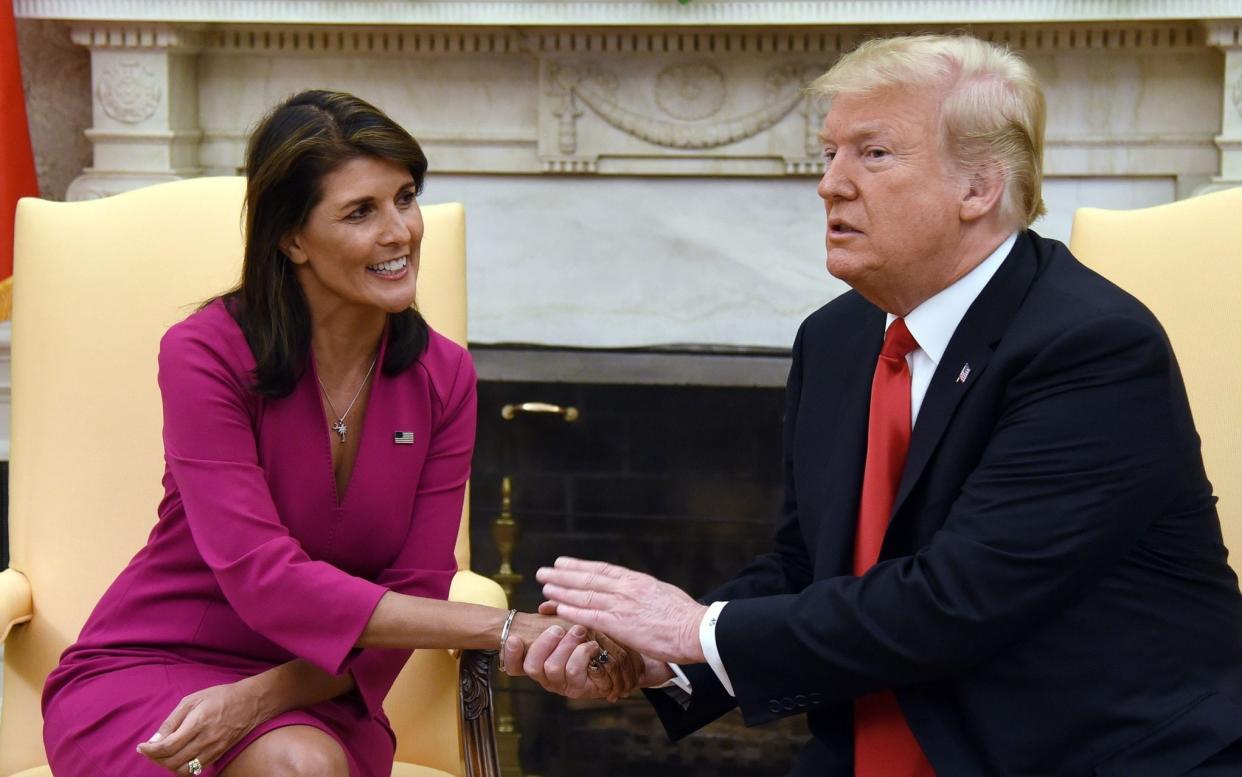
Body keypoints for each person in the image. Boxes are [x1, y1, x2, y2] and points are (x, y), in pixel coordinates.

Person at [522, 35, 1242, 776]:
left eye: (872, 154)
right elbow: (809, 567)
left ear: (979, 188)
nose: (829, 184)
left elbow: (955, 600)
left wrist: (696, 626)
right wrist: (664, 658)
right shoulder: (837, 338)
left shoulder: (1092, 349)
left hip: (1082, 755)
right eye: (830, 152)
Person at [41, 89, 638, 777]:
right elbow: (266, 579)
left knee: (302, 760)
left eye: (405, 197)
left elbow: (417, 583)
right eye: (361, 211)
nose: (400, 232)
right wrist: (506, 627)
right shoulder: (205, 352)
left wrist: (258, 697)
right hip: (155, 663)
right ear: (291, 238)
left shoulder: (445, 375)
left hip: (320, 684)